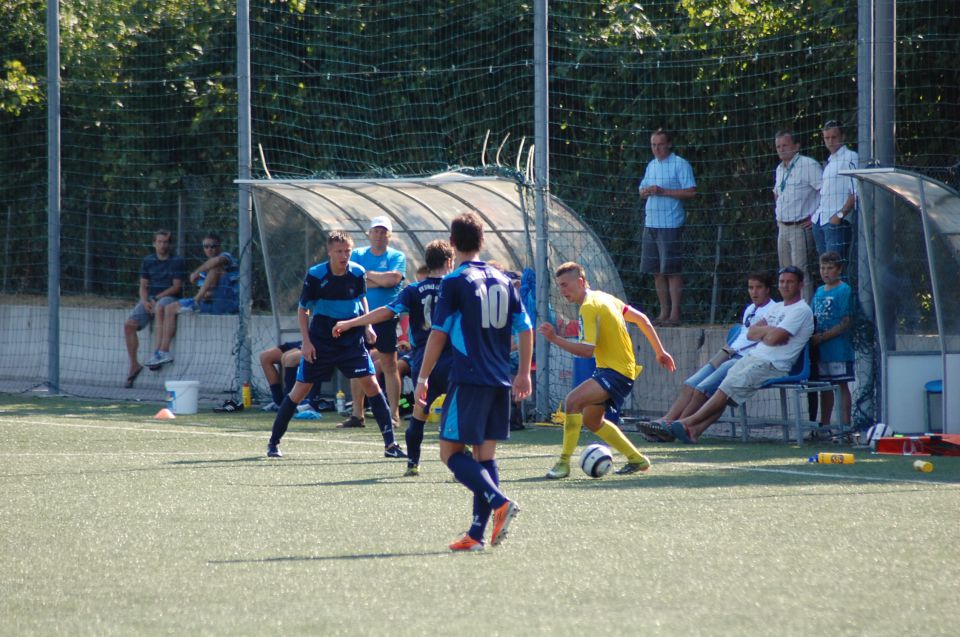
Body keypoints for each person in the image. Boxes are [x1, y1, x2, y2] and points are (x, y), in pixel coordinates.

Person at [414, 212, 532, 551]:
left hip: (468, 378)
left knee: (449, 452)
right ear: (482, 242)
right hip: (500, 380)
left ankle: (499, 501)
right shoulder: (503, 279)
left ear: (452, 243)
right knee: (484, 457)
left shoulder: (454, 281)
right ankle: (477, 535)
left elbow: (438, 335)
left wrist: (423, 376)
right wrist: (523, 372)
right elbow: (524, 328)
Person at [265, 230, 405, 459]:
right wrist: (307, 343)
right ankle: (273, 442)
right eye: (339, 251)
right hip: (321, 338)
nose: (344, 255)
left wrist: (367, 326)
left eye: (347, 251)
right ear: (329, 252)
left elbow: (362, 299)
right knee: (300, 390)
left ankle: (391, 445)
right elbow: (303, 309)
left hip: (351, 337)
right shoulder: (316, 275)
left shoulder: (358, 273)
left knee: (372, 385)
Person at [537, 262, 675, 479]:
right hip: (617, 371)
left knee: (572, 402)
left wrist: (555, 338)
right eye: (559, 287)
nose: (562, 291)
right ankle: (637, 459)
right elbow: (642, 319)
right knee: (592, 421)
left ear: (580, 282)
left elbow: (586, 351)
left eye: (565, 285)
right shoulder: (605, 297)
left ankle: (563, 464)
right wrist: (660, 352)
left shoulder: (589, 307)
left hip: (615, 372)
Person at [333, 239, 455, 477]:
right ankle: (460, 463)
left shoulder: (413, 290)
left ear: (427, 263)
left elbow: (387, 311)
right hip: (453, 359)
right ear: (449, 262)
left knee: (420, 412)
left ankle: (413, 462)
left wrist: (352, 322)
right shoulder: (456, 286)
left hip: (423, 363)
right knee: (456, 412)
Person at [664, 266, 814, 444]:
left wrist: (766, 332)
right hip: (753, 358)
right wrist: (769, 331)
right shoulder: (779, 308)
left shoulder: (800, 310)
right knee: (724, 389)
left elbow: (774, 339)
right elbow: (751, 333)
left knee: (726, 389)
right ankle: (694, 431)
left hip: (773, 365)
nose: (785, 286)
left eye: (790, 282)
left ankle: (686, 422)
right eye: (782, 282)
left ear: (800, 285)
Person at [640, 271, 775, 441]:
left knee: (701, 389)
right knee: (689, 384)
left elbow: (759, 339)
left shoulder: (773, 311)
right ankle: (666, 420)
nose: (754, 292)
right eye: (750, 288)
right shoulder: (750, 309)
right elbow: (742, 336)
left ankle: (673, 428)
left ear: (768, 289)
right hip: (728, 354)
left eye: (759, 288)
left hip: (743, 359)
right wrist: (725, 352)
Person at [341, 216, 407, 429]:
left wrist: (367, 277)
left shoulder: (397, 256)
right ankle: (357, 414)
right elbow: (351, 280)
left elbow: (393, 280)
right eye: (375, 231)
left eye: (383, 232)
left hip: (386, 316)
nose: (379, 235)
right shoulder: (358, 253)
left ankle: (394, 415)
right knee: (357, 364)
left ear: (389, 235)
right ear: (369, 234)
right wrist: (378, 280)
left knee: (389, 364)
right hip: (359, 316)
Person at [147, 234, 239, 368]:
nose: (210, 249)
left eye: (213, 246)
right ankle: (163, 351)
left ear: (219, 247)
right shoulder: (205, 273)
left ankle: (195, 301)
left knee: (215, 267)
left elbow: (216, 262)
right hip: (209, 303)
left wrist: (196, 272)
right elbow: (207, 292)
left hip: (227, 302)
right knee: (169, 308)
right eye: (206, 246)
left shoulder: (227, 257)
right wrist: (205, 292)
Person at [638, 128, 697, 326]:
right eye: (653, 145)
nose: (657, 148)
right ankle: (663, 313)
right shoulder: (651, 165)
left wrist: (664, 192)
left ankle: (674, 314)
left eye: (660, 144)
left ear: (669, 144)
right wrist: (645, 192)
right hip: (651, 223)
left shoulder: (680, 164)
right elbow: (641, 190)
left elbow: (691, 192)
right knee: (656, 271)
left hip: (671, 224)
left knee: (672, 270)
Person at [123, 229, 185, 387]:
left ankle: (158, 352)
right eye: (159, 242)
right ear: (154, 243)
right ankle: (134, 364)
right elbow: (143, 286)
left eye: (165, 242)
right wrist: (144, 301)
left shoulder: (176, 261)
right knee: (129, 325)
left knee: (162, 306)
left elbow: (176, 287)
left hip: (167, 298)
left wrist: (156, 298)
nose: (162, 245)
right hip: (149, 300)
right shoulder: (148, 260)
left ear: (169, 244)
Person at [773, 129, 822, 300]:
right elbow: (777, 193)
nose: (781, 149)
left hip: (800, 226)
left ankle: (805, 311)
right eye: (778, 146)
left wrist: (815, 215)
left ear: (796, 146)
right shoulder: (780, 169)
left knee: (800, 272)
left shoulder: (808, 165)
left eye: (785, 145)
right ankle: (789, 310)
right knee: (785, 273)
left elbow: (825, 190)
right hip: (783, 227)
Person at [810, 251, 855, 436]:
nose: (825, 272)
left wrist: (824, 336)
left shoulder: (845, 290)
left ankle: (845, 425)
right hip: (822, 349)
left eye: (829, 268)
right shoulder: (819, 291)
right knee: (825, 387)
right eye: (822, 268)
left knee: (841, 385)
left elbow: (846, 321)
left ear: (839, 269)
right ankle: (825, 425)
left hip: (838, 348)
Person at [812, 120, 858, 264]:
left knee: (836, 267)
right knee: (825, 267)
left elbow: (855, 192)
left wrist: (839, 215)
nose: (830, 141)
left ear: (842, 137)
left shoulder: (850, 157)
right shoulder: (830, 161)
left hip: (836, 221)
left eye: (834, 137)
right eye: (827, 138)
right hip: (820, 220)